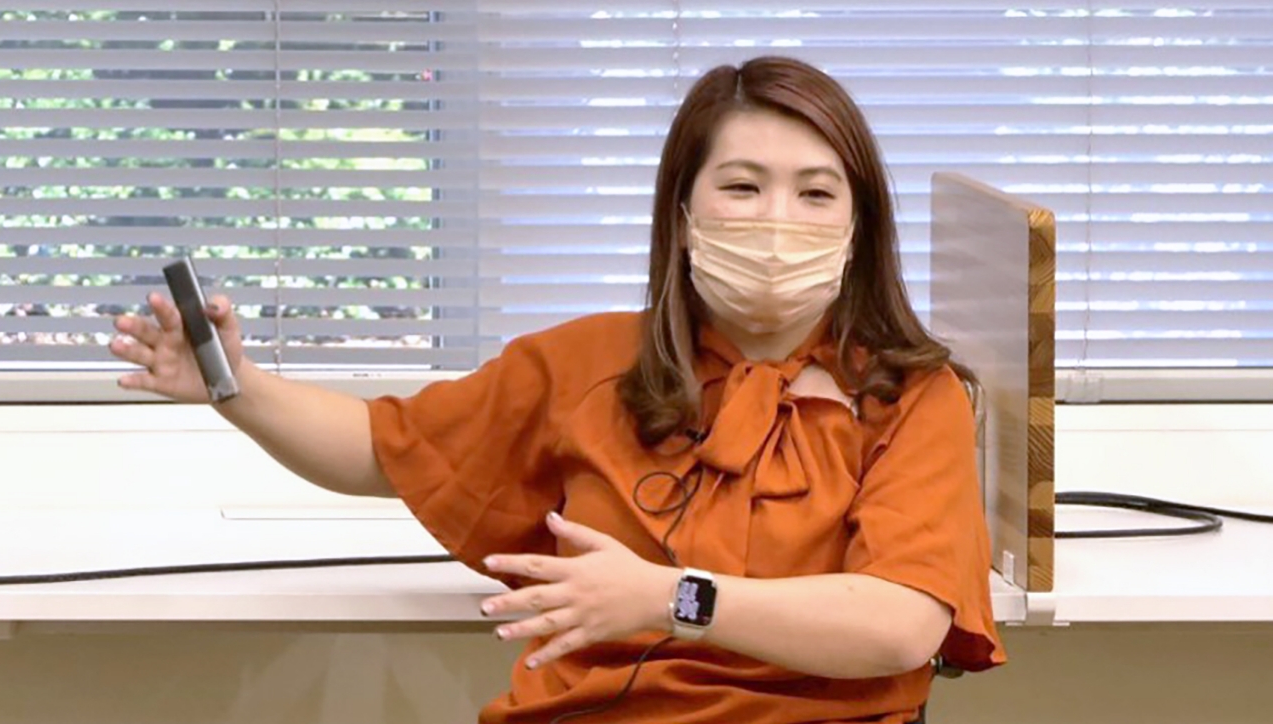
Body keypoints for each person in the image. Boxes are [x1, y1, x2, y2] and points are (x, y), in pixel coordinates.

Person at [109, 55, 1004, 724]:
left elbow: (900, 625)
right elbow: (385, 449)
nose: (778, 222)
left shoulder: (911, 397)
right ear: (684, 216)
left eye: (816, 194)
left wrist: (668, 597)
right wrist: (237, 387)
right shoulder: (584, 366)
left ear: (858, 227)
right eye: (742, 187)